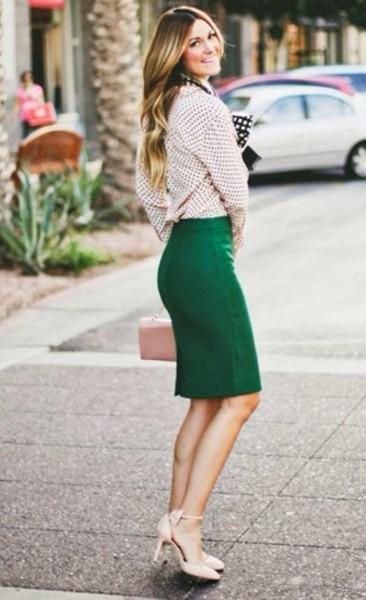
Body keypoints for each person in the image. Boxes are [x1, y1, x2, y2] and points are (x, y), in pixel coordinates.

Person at [135, 6, 262, 582]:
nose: (210, 47)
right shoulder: (204, 106)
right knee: (242, 398)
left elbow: (148, 189)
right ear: (175, 53)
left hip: (183, 256)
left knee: (207, 401)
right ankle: (188, 525)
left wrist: (179, 242)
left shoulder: (164, 105)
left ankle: (174, 519)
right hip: (205, 252)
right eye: (195, 42)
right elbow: (235, 190)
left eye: (211, 36)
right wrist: (227, 243)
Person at [13, 70, 45, 138]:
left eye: (29, 78)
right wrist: (14, 114)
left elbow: (42, 101)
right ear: (23, 80)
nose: (28, 80)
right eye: (26, 79)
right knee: (26, 135)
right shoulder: (20, 90)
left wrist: (34, 97)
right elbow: (17, 104)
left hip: (36, 115)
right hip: (25, 116)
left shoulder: (37, 88)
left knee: (37, 135)